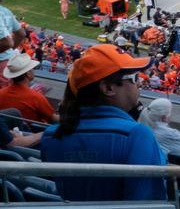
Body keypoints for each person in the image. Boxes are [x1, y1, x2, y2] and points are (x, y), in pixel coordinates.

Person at [40, 44, 164, 202]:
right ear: (108, 88)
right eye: (134, 78)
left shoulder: (50, 135)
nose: (137, 84)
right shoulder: (136, 135)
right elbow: (147, 200)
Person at [0, 53, 57, 124]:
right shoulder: (36, 97)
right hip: (30, 130)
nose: (34, 70)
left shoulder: (0, 93)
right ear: (28, 74)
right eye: (32, 68)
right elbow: (53, 120)